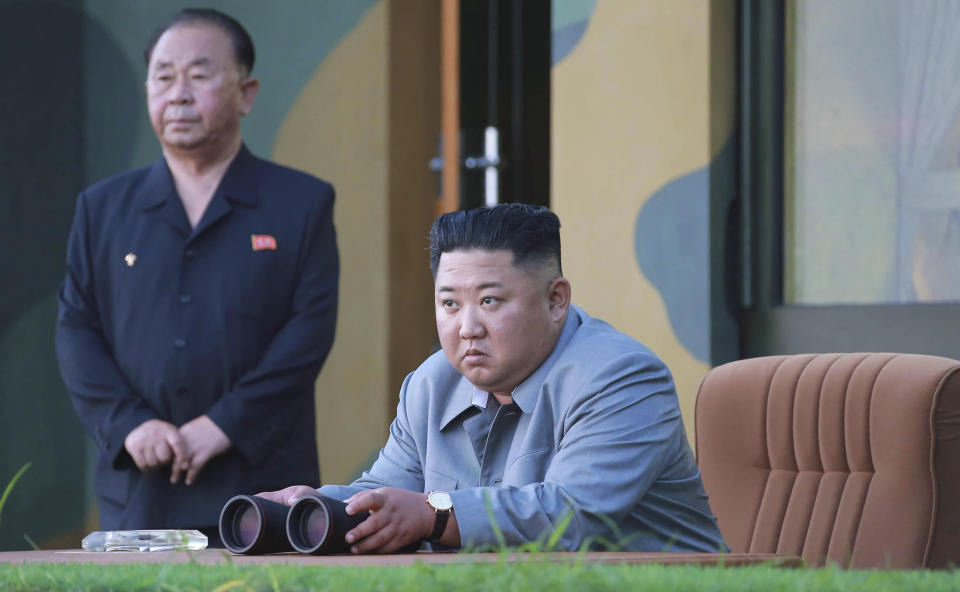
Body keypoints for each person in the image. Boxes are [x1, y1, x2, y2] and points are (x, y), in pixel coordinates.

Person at [260, 204, 725, 554]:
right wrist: (316, 504)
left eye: (490, 301)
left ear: (556, 300)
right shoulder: (430, 383)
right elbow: (386, 492)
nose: (466, 327)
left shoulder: (622, 377)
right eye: (449, 304)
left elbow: (574, 515)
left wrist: (433, 514)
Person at [55, 8, 338, 542]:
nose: (178, 93)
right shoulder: (102, 208)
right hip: (142, 481)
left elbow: (309, 332)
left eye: (200, 75)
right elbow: (76, 330)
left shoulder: (301, 203)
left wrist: (225, 424)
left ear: (246, 93)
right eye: (163, 77)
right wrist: (129, 424)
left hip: (263, 480)